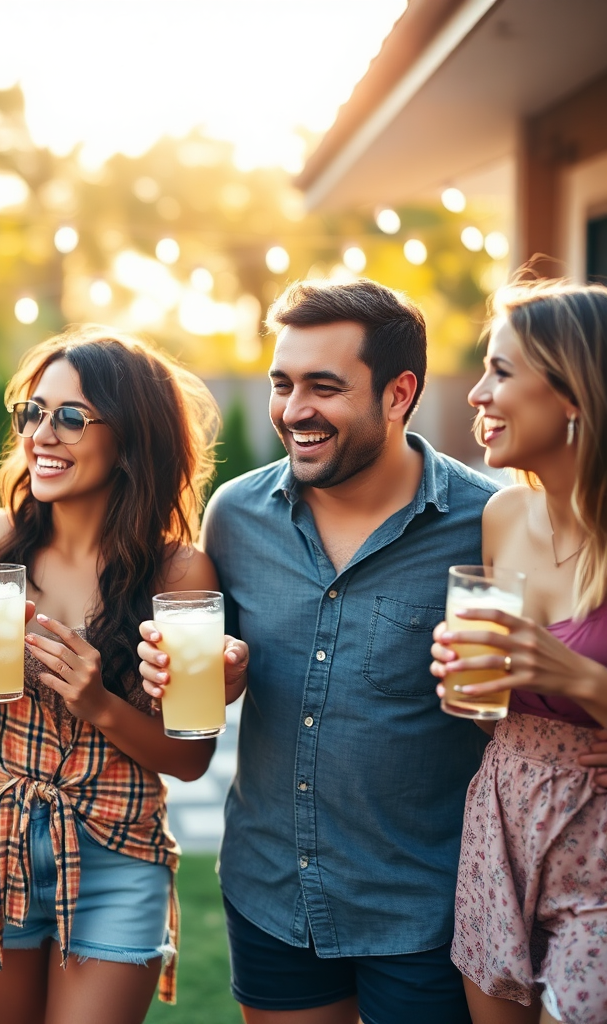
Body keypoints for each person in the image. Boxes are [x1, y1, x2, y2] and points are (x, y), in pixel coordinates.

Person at [141, 278, 499, 1024]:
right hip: (273, 891)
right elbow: (212, 688)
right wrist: (202, 678)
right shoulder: (235, 514)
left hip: (425, 908)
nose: (293, 410)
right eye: (282, 384)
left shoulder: (488, 525)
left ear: (399, 394)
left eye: (323, 387)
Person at [0, 325, 226, 1024]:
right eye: (34, 413)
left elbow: (192, 758)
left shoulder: (181, 573)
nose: (41, 435)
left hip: (120, 843)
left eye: (70, 417)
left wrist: (100, 703)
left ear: (130, 439)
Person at [430, 280, 607, 1024]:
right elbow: (491, 715)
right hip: (500, 826)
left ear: (572, 393)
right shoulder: (502, 516)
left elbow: (566, 681)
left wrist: (585, 682)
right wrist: (467, 690)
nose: (477, 394)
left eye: (501, 372)